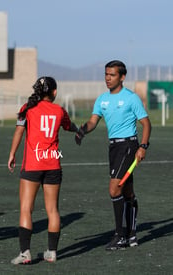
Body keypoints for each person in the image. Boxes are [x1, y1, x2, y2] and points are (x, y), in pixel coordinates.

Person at [75, 60, 151, 250]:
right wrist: (83, 130)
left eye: (112, 75)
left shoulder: (131, 98)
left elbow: (146, 123)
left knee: (114, 189)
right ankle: (131, 234)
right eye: (106, 74)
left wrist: (143, 146)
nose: (108, 78)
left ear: (122, 77)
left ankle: (120, 235)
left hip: (128, 145)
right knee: (127, 192)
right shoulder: (101, 99)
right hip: (113, 148)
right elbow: (93, 121)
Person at [8, 76, 79, 265]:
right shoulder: (59, 110)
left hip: (32, 165)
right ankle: (52, 252)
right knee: (53, 210)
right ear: (54, 92)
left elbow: (19, 131)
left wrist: (12, 154)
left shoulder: (27, 108)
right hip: (53, 165)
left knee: (26, 208)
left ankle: (25, 253)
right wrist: (78, 130)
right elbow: (69, 126)